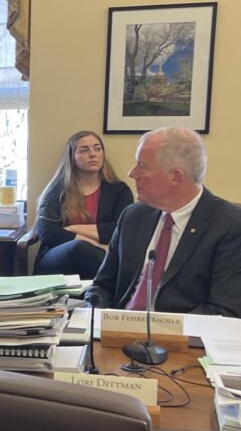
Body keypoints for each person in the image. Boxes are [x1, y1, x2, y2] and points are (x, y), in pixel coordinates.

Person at [86, 127, 241, 317]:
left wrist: (158, 331)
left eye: (142, 166)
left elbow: (224, 310)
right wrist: (95, 318)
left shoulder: (230, 225)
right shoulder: (133, 216)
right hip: (114, 334)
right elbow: (102, 285)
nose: (132, 173)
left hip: (181, 341)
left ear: (175, 177)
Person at [34, 130, 133, 278]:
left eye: (97, 148)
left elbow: (121, 230)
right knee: (78, 248)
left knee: (88, 252)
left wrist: (72, 228)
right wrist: (97, 246)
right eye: (84, 150)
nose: (93, 154)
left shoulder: (119, 190)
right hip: (55, 258)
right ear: (72, 158)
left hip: (100, 258)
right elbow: (48, 233)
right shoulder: (57, 190)